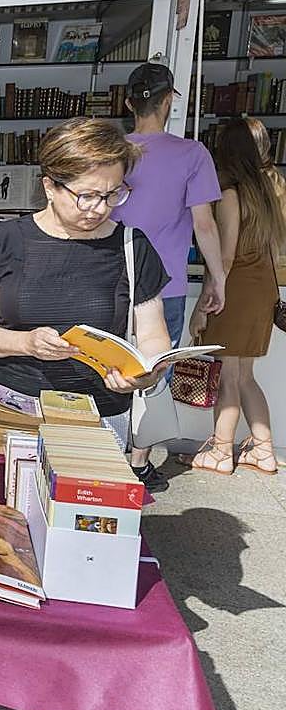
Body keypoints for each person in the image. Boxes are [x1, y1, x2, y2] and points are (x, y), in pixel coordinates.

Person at [0, 117, 174, 492]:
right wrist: (26, 343)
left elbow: (155, 337)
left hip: (99, 416)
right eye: (86, 195)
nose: (98, 208)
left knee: (84, 524)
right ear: (50, 186)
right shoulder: (5, 240)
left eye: (112, 195)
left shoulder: (132, 247)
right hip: (11, 411)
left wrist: (144, 374)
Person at [110, 62, 226, 473]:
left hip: (109, 280)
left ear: (128, 103)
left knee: (103, 366)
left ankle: (101, 453)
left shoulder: (113, 152)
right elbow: (204, 223)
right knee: (151, 372)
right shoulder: (192, 154)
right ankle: (138, 463)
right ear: (169, 101)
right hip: (166, 286)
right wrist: (218, 278)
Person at [188, 118, 286, 475]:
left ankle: (220, 451)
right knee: (245, 375)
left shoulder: (231, 192)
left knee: (229, 375)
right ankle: (263, 450)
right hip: (262, 289)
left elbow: (225, 256)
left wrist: (205, 303)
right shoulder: (271, 188)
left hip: (235, 288)